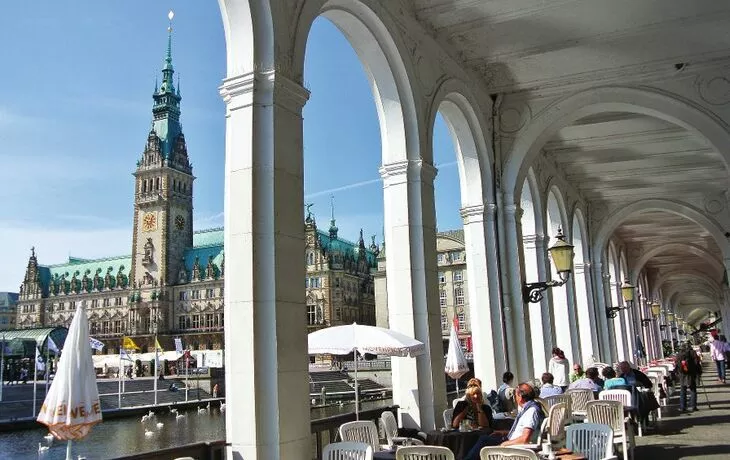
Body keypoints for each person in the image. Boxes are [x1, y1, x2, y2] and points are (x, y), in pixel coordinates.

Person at [463, 383, 545, 460]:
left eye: (515, 396)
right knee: (485, 439)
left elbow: (525, 439)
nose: (515, 399)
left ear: (520, 396)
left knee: (484, 441)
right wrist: (503, 432)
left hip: (516, 449)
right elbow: (521, 432)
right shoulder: (529, 408)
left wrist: (504, 444)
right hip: (513, 442)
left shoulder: (531, 411)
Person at [676, 342, 702, 412]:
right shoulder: (693, 352)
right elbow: (697, 363)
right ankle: (693, 406)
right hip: (691, 373)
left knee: (683, 390)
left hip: (683, 374)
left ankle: (682, 407)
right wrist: (699, 372)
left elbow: (677, 365)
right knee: (693, 390)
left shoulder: (679, 354)